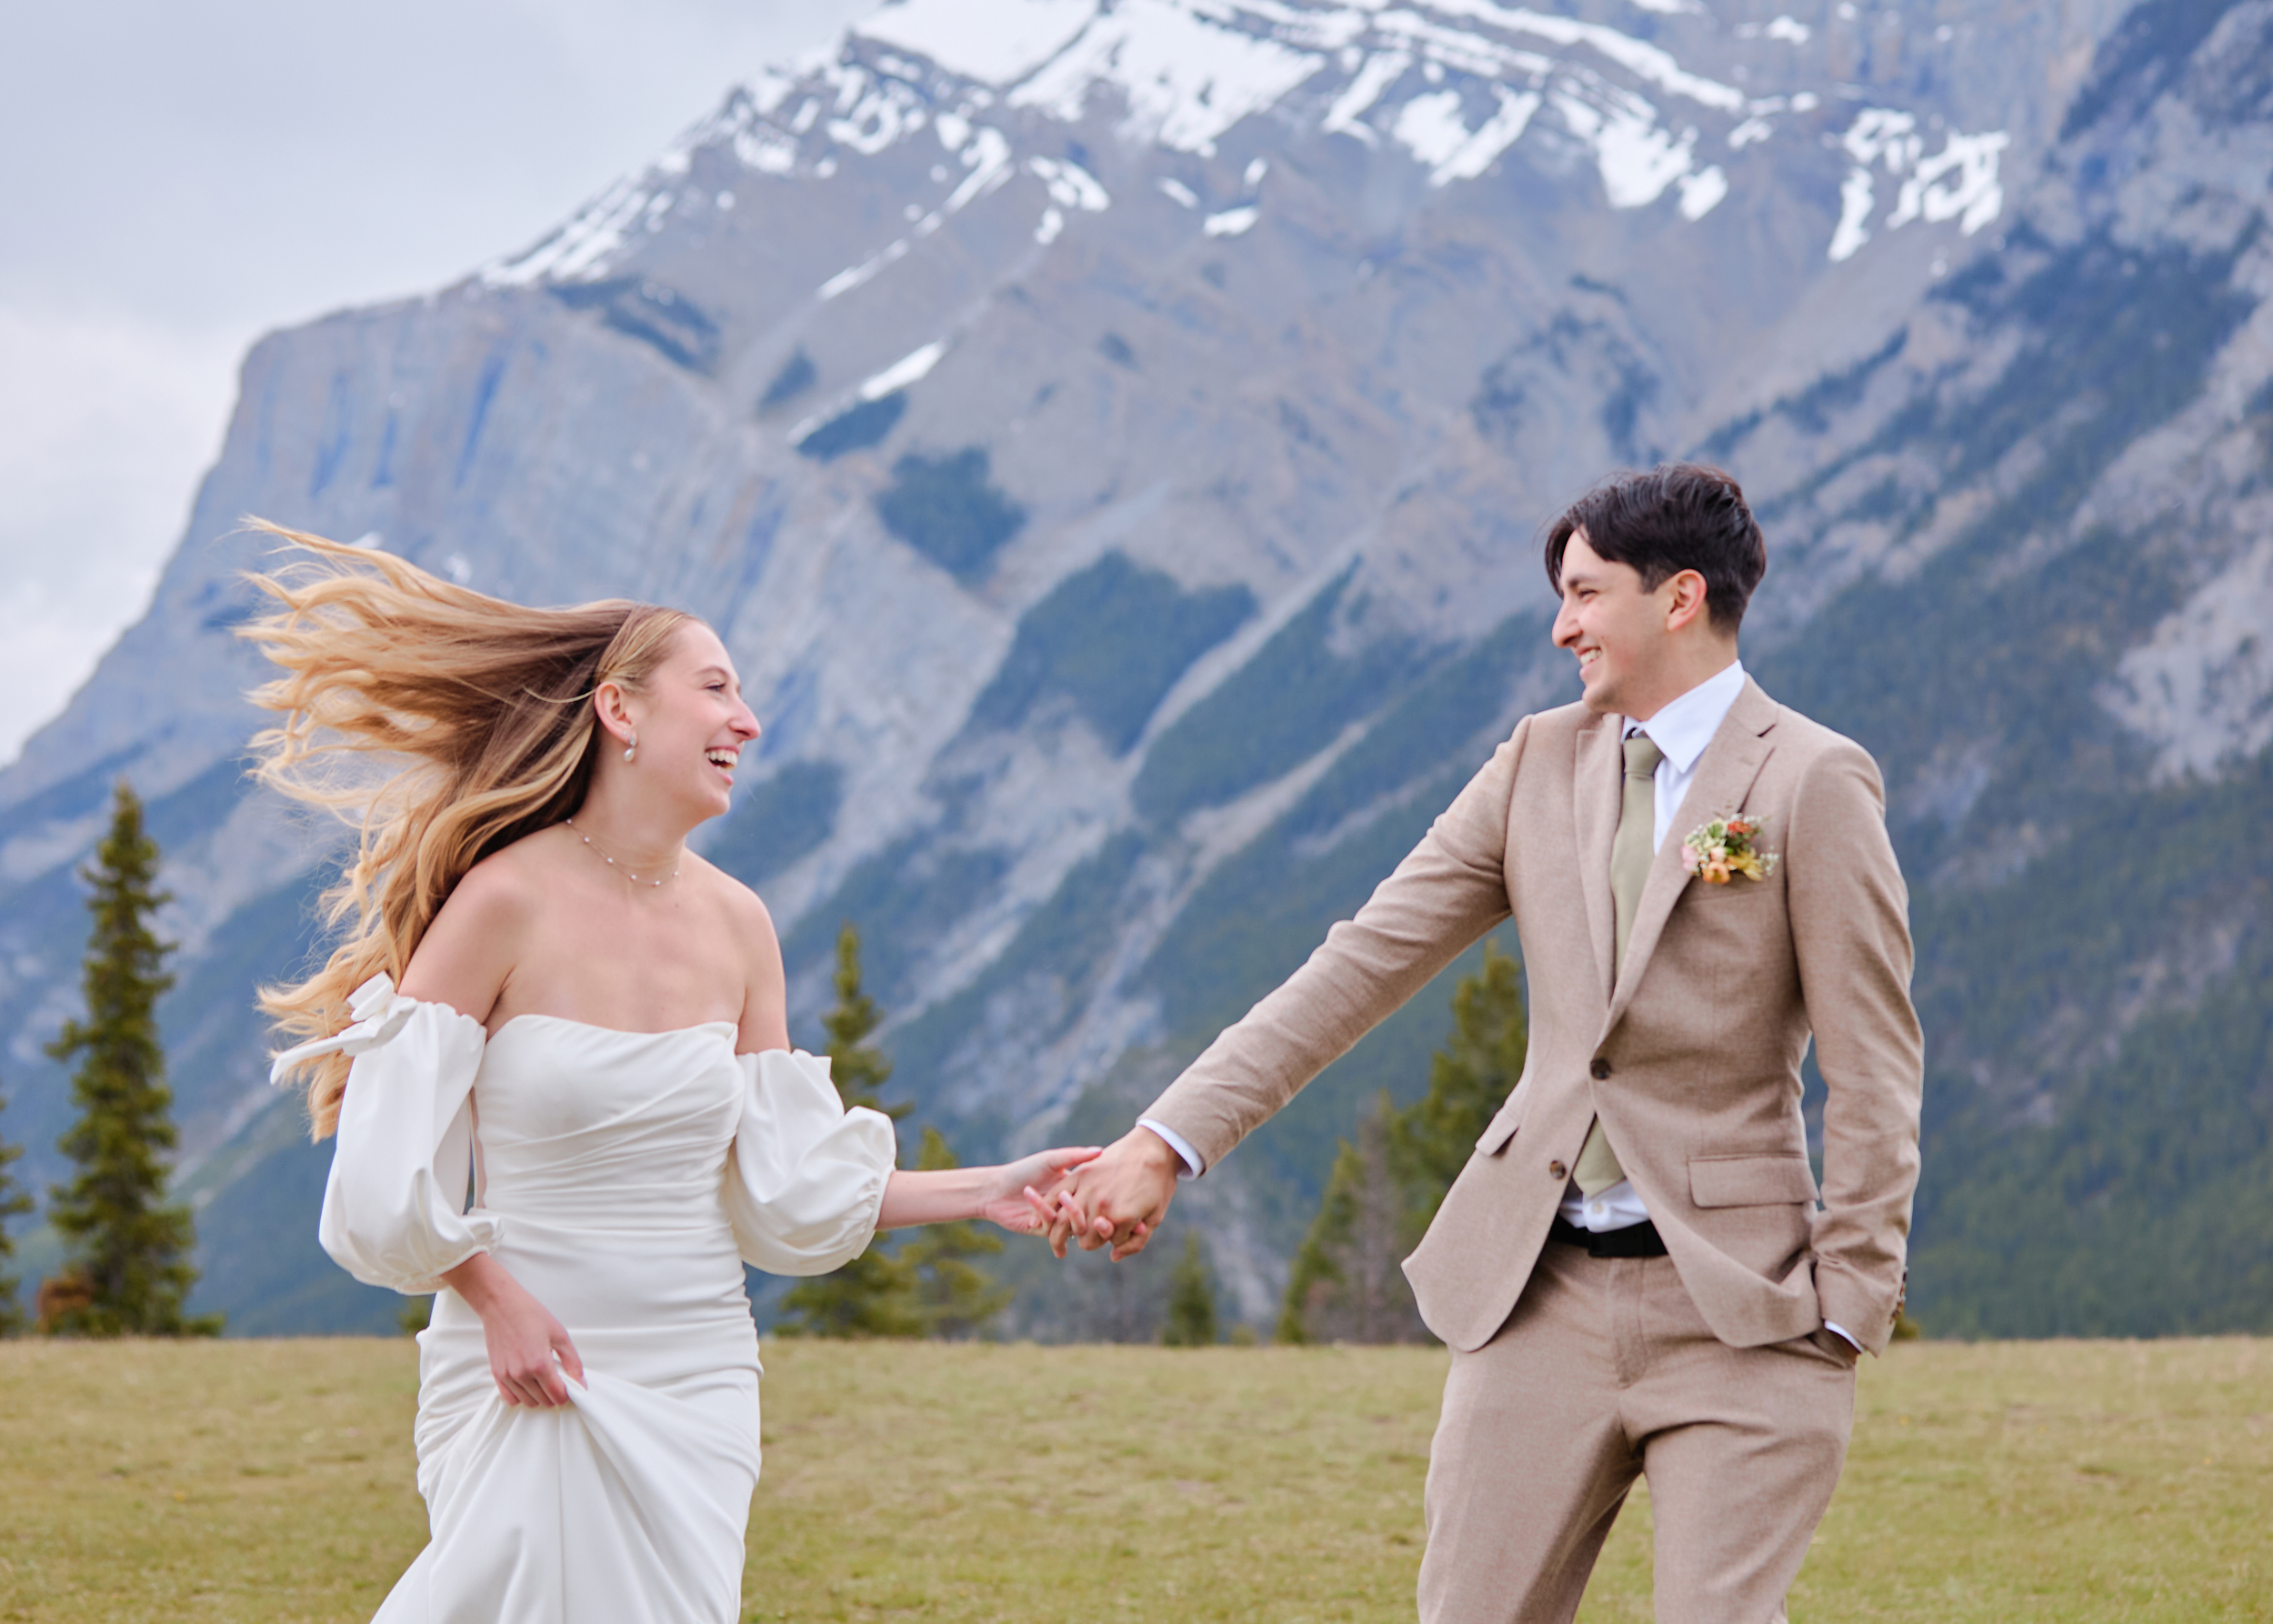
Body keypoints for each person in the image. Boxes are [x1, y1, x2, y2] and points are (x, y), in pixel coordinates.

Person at [1046, 465, 1923, 1622]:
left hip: (1744, 1310)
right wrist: (1166, 1141)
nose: (1560, 626)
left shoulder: (1812, 778)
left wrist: (1848, 1303)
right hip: (1534, 1294)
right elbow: (1359, 964)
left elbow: (1874, 1064)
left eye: (1583, 593)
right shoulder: (1534, 761)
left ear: (1678, 600)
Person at [250, 526, 1096, 1624]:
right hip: (527, 1363)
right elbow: (380, 1170)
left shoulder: (741, 926)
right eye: (717, 688)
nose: (746, 721)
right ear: (621, 710)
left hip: (699, 1374)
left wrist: (985, 1190)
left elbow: (783, 1190)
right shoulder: (504, 901)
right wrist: (494, 1298)